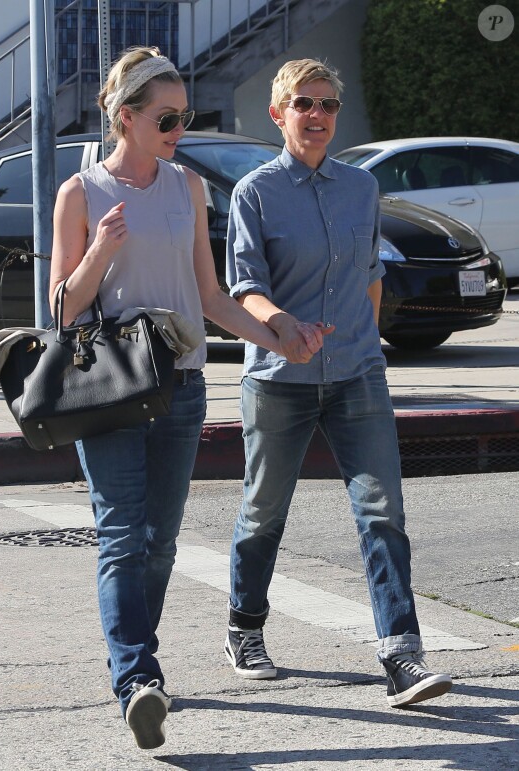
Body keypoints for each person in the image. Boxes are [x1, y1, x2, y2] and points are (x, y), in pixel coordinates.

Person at [49, 46, 305, 751]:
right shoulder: (81, 192)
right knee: (124, 533)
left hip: (182, 384)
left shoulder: (187, 188)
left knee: (159, 542)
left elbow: (211, 295)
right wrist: (100, 250)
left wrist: (275, 336)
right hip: (109, 386)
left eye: (186, 115)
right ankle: (136, 679)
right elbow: (63, 310)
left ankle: (138, 664)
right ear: (125, 117)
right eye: (167, 117)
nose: (179, 127)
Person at [224, 57, 453, 708]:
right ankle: (245, 623)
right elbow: (245, 286)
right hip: (279, 376)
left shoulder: (361, 188)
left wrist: (369, 342)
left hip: (357, 372)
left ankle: (401, 654)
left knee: (383, 512)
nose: (317, 114)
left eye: (326, 103)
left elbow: (372, 274)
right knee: (264, 509)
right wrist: (284, 327)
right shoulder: (256, 193)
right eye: (303, 103)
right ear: (279, 114)